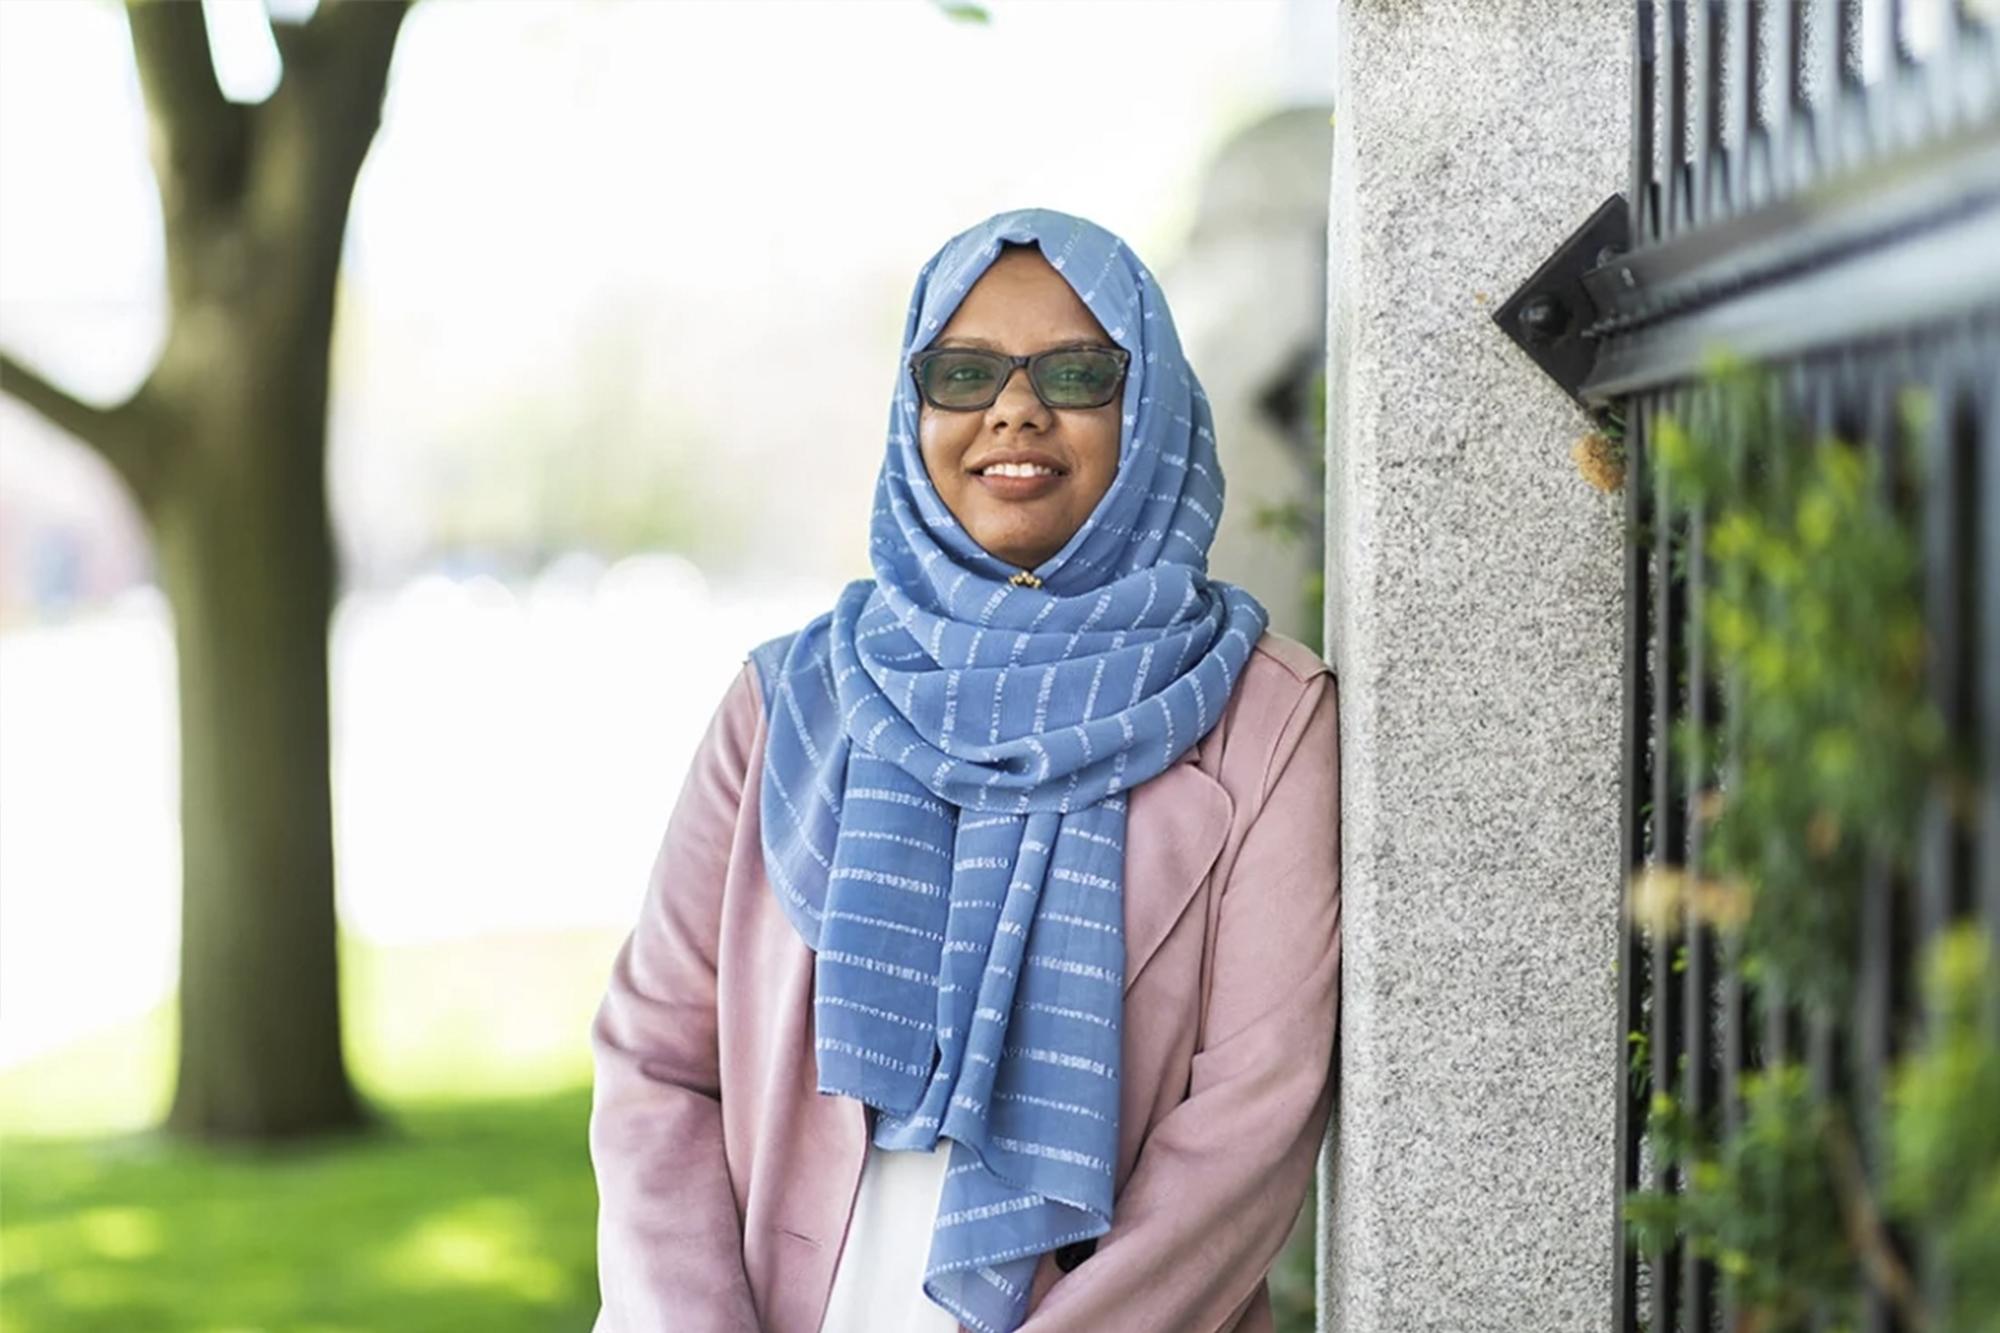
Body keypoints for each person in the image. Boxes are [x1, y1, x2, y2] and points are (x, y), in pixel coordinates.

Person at [589, 208, 1341, 1333]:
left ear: (1152, 412)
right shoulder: (789, 700)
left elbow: (1246, 1131)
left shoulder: (1262, 717)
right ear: (914, 408)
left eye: (1078, 371)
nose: (1014, 409)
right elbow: (655, 1063)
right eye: (963, 371)